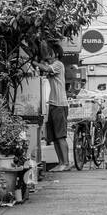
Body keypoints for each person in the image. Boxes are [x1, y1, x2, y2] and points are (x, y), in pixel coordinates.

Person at [39, 42, 71, 171]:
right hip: (52, 104)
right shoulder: (52, 65)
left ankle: (66, 163)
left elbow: (46, 69)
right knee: (55, 137)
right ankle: (60, 162)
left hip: (60, 104)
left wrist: (34, 63)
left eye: (50, 52)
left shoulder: (58, 64)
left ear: (56, 54)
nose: (48, 54)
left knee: (61, 136)